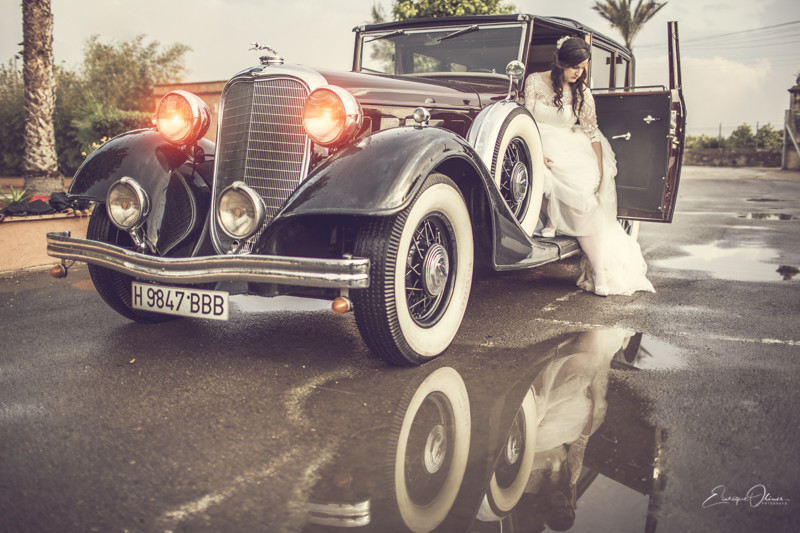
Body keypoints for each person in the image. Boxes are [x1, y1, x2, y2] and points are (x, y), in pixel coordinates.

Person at [523, 36, 654, 296]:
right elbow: (524, 119)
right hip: (534, 141)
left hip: (570, 146)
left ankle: (601, 272)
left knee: (582, 199)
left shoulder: (581, 91)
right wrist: (536, 151)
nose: (578, 72)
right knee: (543, 173)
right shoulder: (535, 81)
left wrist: (600, 170)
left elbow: (592, 133)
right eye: (575, 67)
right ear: (561, 62)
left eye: (583, 67)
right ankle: (551, 217)